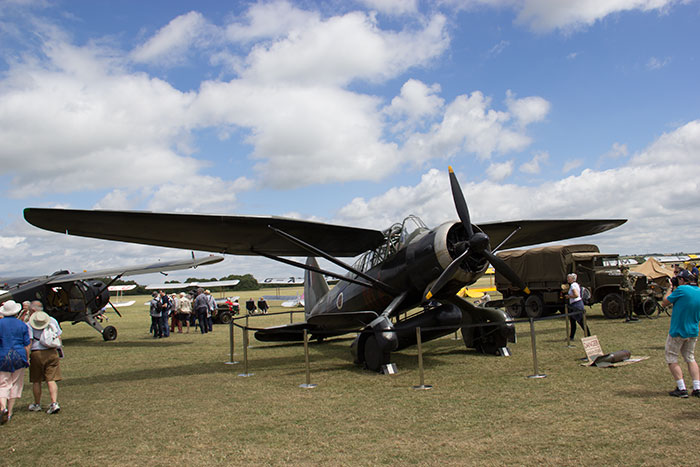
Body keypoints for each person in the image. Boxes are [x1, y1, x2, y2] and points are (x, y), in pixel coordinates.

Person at [661, 269, 700, 398]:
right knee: (690, 358)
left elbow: (665, 302)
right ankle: (697, 387)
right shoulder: (698, 291)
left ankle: (681, 387)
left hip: (678, 331)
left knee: (672, 358)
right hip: (693, 330)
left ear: (682, 280)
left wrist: (670, 288)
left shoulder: (681, 290)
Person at [0, 300, 31, 424]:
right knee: (15, 384)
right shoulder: (22, 325)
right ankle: (10, 411)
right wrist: (27, 358)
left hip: (2, 355)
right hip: (19, 355)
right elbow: (27, 345)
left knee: (3, 383)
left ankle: (3, 407)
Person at [27, 311, 62, 414]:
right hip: (51, 351)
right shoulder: (53, 321)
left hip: (36, 352)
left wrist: (27, 356)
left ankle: (37, 404)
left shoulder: (29, 324)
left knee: (36, 380)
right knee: (51, 379)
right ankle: (54, 402)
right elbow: (59, 336)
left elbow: (29, 342)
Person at [565, 273, 590, 341]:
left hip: (576, 305)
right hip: (574, 305)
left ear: (572, 279)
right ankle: (571, 337)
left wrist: (569, 296)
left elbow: (576, 295)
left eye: (568, 278)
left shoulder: (573, 286)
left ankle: (588, 335)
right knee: (572, 322)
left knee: (581, 322)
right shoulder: (575, 284)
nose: (567, 279)